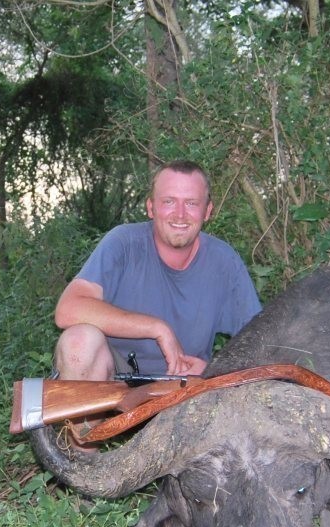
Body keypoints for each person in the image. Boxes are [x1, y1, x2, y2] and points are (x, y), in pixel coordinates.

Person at [53, 161, 262, 380]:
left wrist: (213, 370)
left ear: (207, 211)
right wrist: (157, 328)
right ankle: (88, 416)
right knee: (79, 342)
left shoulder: (225, 263)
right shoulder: (124, 244)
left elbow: (259, 343)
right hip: (115, 383)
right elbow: (68, 309)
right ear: (151, 207)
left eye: (191, 203)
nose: (180, 215)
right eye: (169, 201)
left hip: (185, 387)